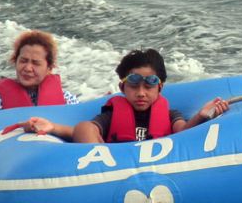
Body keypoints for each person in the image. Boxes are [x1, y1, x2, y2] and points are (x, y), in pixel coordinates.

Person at [18, 49, 228, 142]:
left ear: (160, 89)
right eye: (134, 86)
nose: (141, 93)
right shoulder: (112, 114)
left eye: (149, 86)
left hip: (158, 167)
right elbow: (83, 133)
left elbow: (182, 132)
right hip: (111, 169)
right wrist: (53, 127)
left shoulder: (170, 114)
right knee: (84, 127)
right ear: (122, 88)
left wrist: (202, 115)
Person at [0, 30, 79, 113]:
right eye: (23, 61)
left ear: (49, 68)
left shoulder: (68, 101)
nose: (28, 68)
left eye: (36, 63)